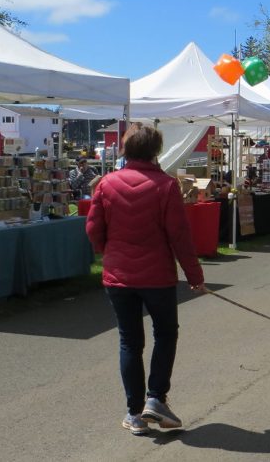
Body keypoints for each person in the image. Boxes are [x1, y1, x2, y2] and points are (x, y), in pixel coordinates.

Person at [85, 124, 205, 436]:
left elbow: (93, 229)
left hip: (118, 275)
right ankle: (156, 398)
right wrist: (195, 276)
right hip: (157, 276)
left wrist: (108, 251)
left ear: (126, 149)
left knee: (129, 341)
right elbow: (179, 236)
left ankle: (134, 412)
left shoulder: (107, 184)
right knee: (165, 334)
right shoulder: (165, 185)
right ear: (155, 150)